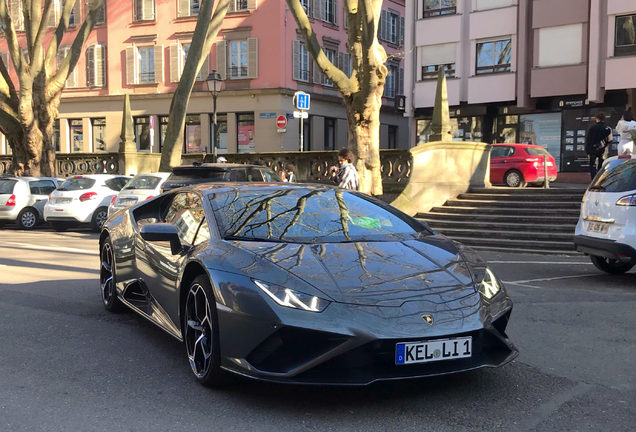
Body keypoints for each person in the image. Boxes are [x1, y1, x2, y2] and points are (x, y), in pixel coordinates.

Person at [585, 112, 613, 179]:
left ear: (597, 119)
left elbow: (588, 140)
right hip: (603, 149)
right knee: (602, 165)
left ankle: (593, 180)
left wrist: (587, 151)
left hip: (593, 149)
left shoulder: (593, 128)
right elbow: (610, 140)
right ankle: (600, 179)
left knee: (593, 165)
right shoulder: (608, 128)